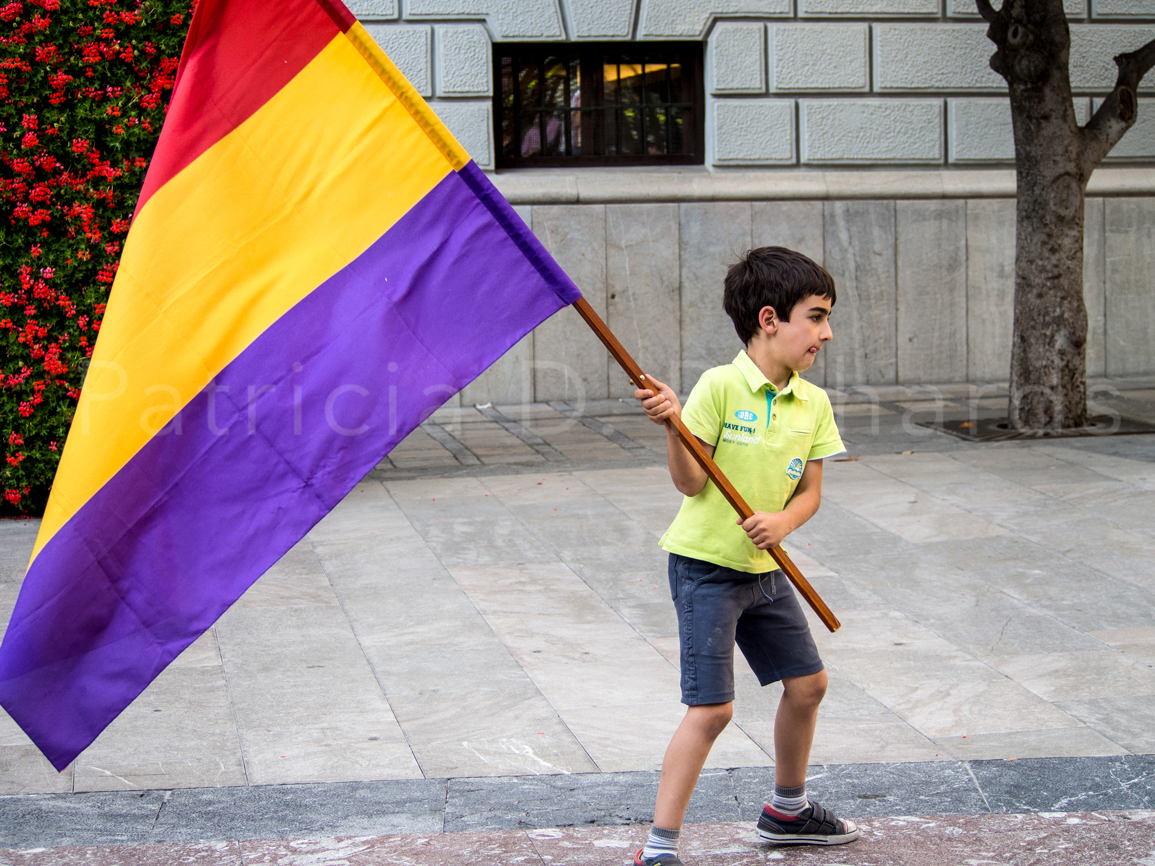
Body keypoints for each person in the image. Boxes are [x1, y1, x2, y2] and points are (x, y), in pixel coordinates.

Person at [632, 247, 857, 865]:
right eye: (814, 316)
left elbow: (809, 491)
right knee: (712, 709)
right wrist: (675, 427)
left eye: (826, 317)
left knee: (808, 685)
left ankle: (787, 810)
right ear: (768, 319)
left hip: (767, 571)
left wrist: (782, 521)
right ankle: (659, 846)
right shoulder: (720, 387)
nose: (826, 332)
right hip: (706, 570)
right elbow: (689, 483)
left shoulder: (813, 403)